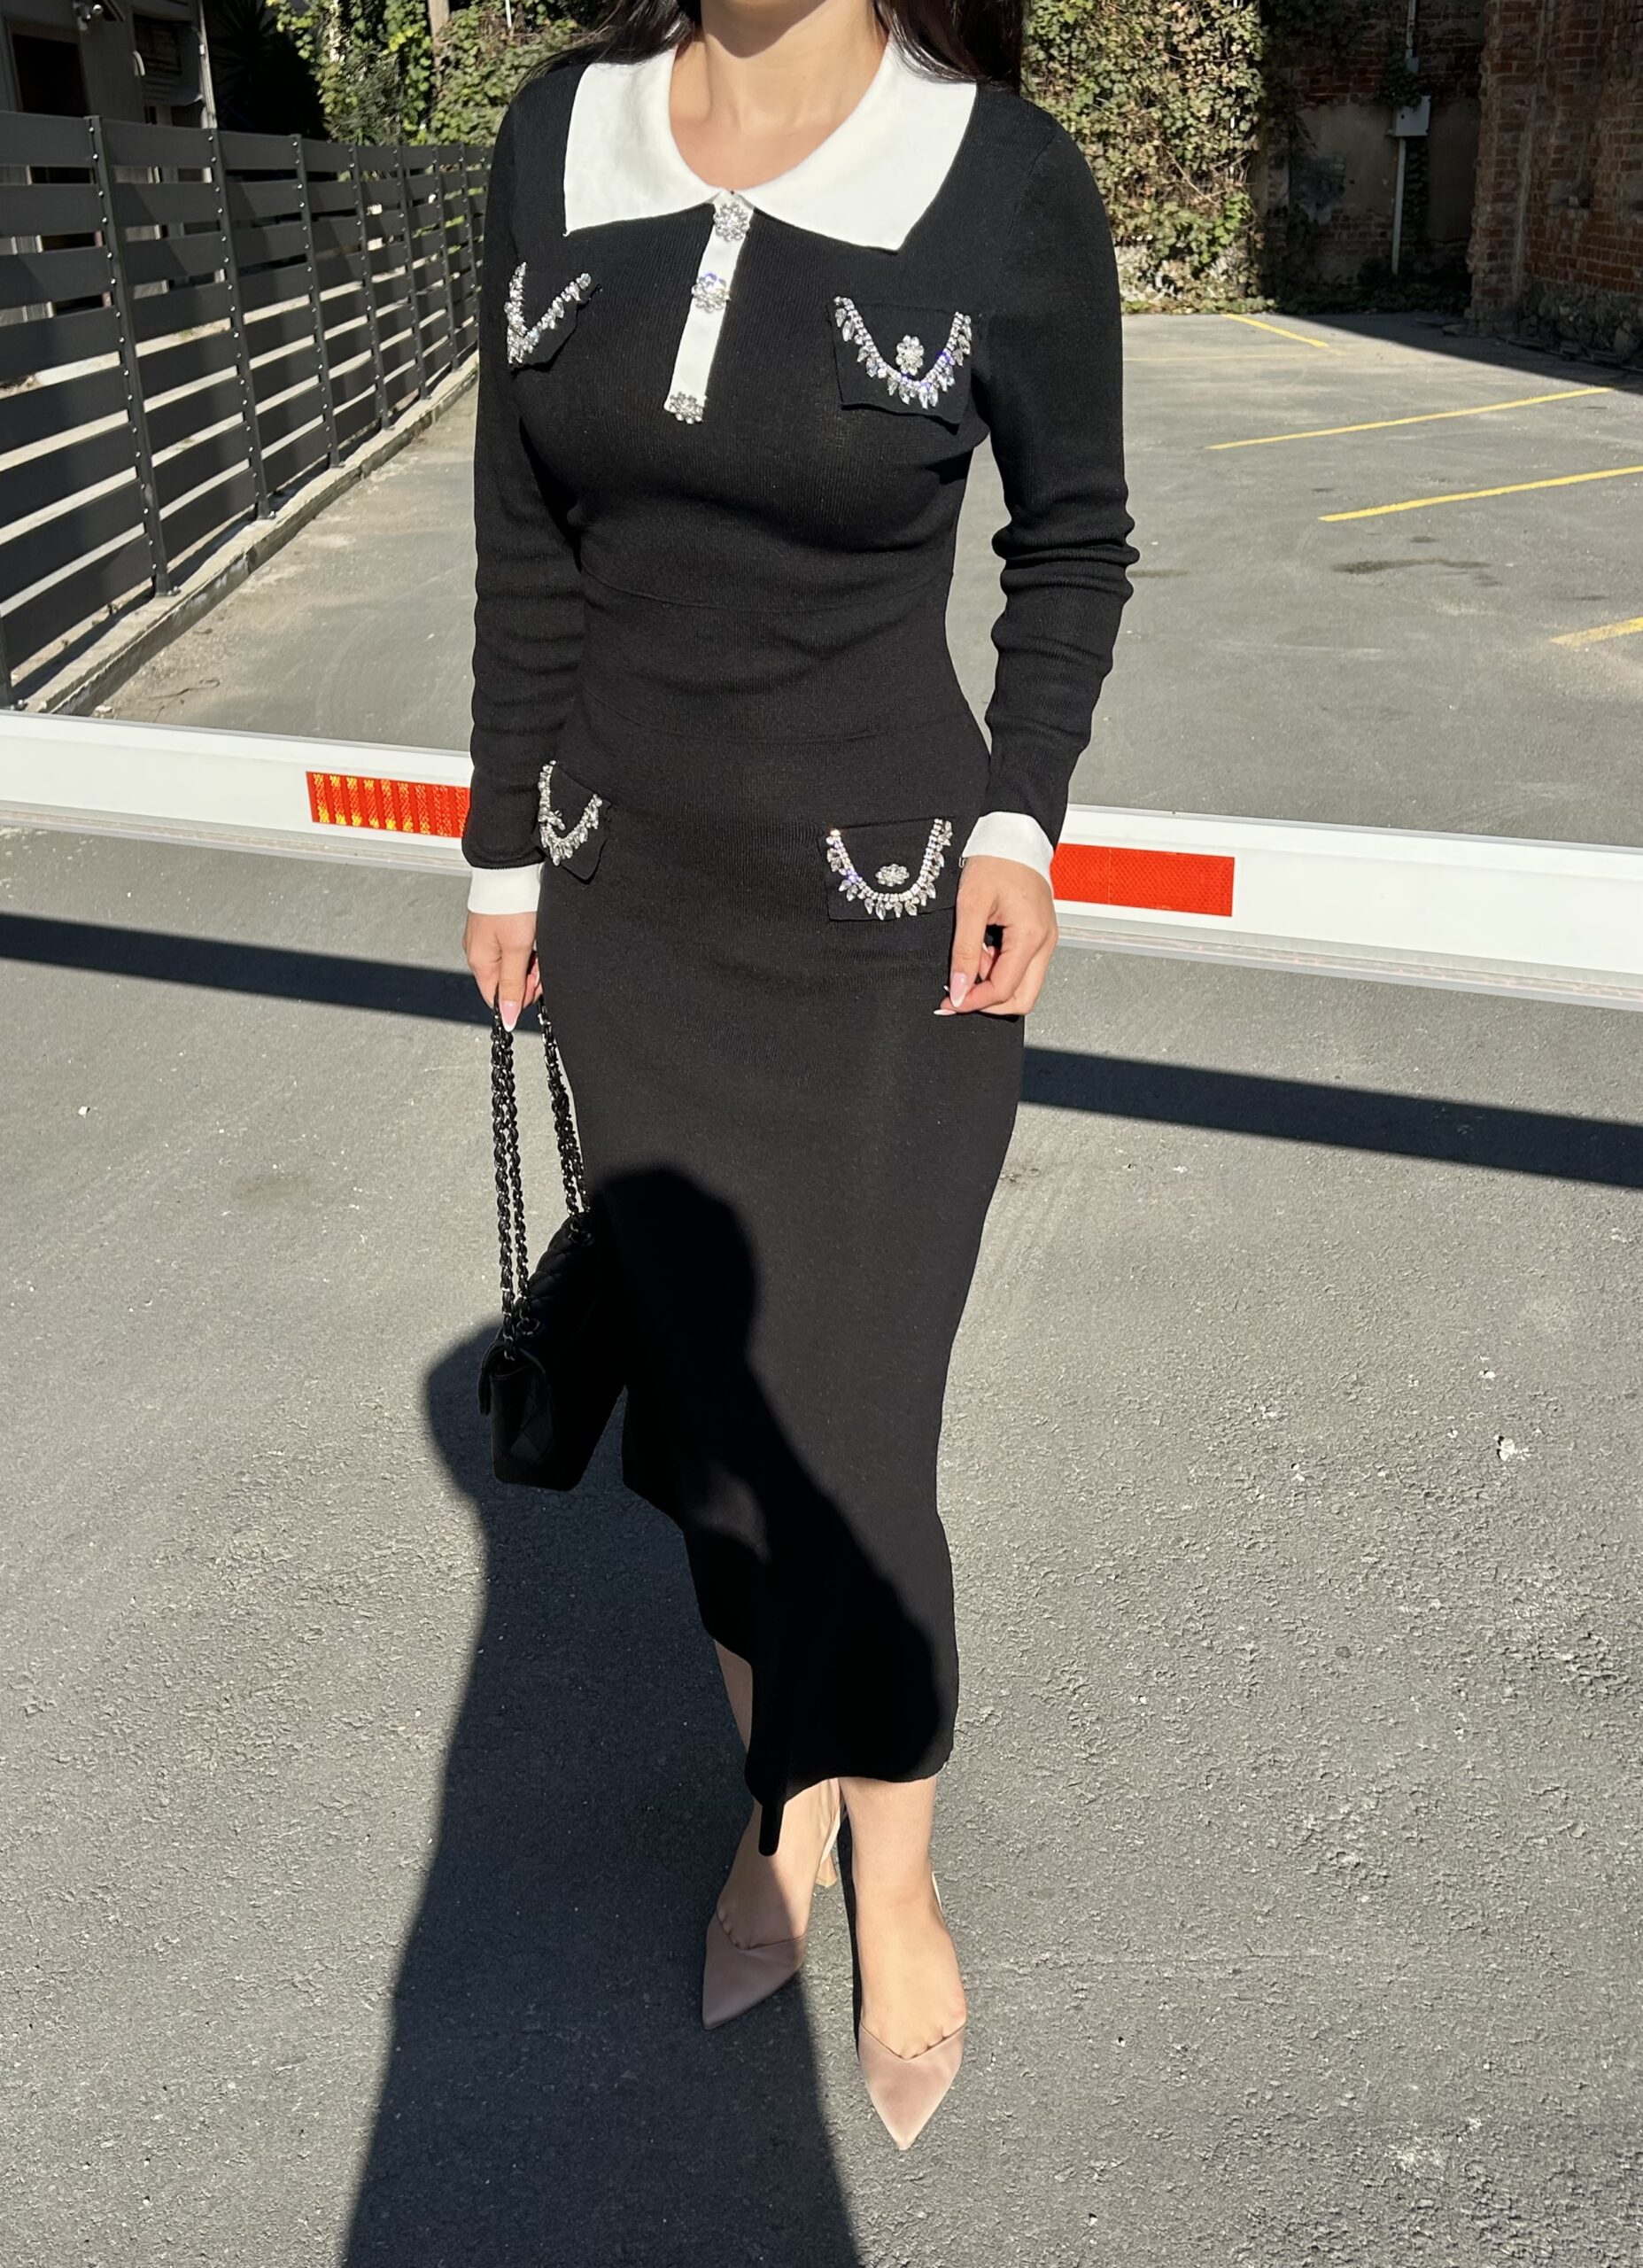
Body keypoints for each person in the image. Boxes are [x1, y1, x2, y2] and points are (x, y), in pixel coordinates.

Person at [460, 0, 1133, 2151]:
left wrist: (1023, 819)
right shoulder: (555, 136)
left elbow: (1072, 539)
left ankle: (895, 1874)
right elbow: (521, 533)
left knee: (852, 1435)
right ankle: (782, 1813)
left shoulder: (999, 177)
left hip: (887, 931)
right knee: (714, 1431)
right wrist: (497, 847)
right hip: (627, 909)